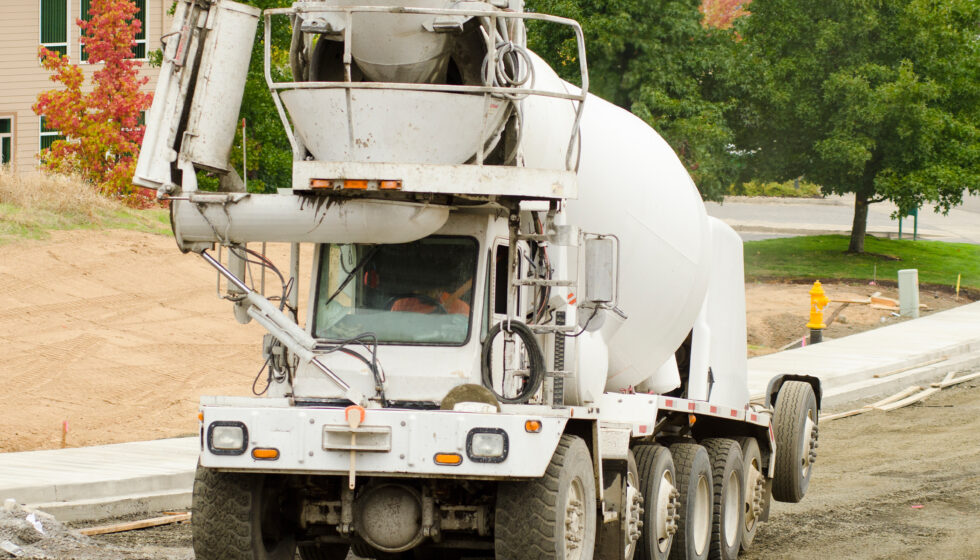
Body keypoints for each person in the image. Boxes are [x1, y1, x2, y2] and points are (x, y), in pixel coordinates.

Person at [390, 278, 473, 315]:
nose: (423, 294)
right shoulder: (401, 304)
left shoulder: (460, 308)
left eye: (429, 290)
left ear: (440, 290)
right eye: (420, 288)